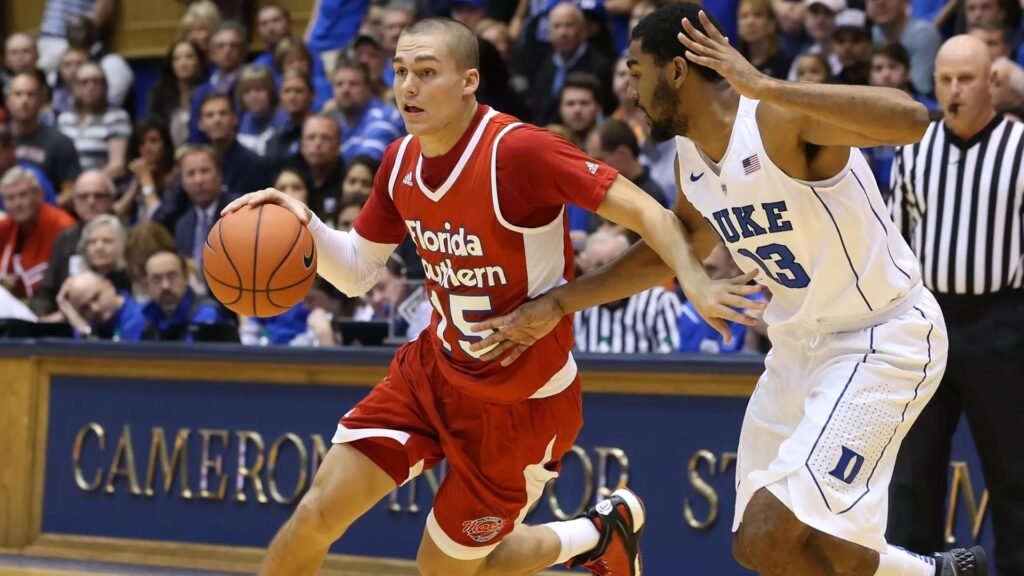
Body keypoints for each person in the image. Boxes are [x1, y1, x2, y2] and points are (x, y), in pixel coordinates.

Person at [224, 16, 759, 576]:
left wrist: (694, 280)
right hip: (431, 374)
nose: (408, 86)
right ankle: (599, 533)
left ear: (469, 81)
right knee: (314, 515)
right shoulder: (399, 160)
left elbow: (648, 211)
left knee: (445, 567)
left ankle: (596, 533)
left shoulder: (521, 152)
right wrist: (302, 220)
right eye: (401, 71)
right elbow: (358, 270)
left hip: (521, 406)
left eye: (426, 72)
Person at [470, 4, 988, 575]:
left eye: (637, 69)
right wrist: (561, 300)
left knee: (780, 528)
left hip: (880, 338)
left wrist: (766, 83)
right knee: (761, 544)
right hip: (796, 349)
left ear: (676, 72)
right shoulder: (691, 156)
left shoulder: (775, 119)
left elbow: (912, 119)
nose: (630, 87)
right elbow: (677, 246)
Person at [887, 35, 1024, 576]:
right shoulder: (913, 149)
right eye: (944, 79)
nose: (953, 90)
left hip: (1002, 323)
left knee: (1013, 470)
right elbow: (897, 241)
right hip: (929, 322)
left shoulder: (1019, 147)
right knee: (913, 474)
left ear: (991, 81)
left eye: (965, 79)